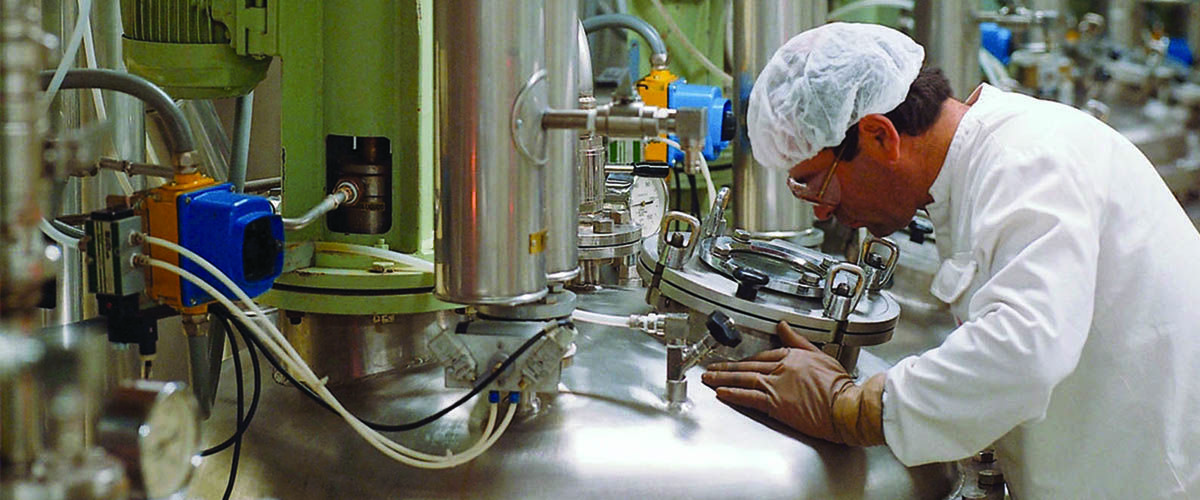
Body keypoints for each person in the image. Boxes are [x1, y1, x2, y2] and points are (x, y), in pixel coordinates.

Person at [701, 22, 1200, 499]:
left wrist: (852, 408)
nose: (825, 208)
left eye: (817, 183)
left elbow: (1025, 350)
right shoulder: (985, 166)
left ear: (880, 137)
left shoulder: (1026, 162)